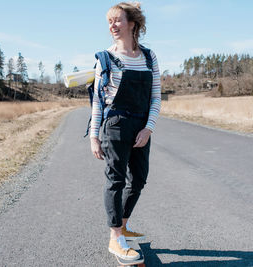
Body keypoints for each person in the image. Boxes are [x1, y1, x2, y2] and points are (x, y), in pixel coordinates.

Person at [89, 1, 161, 261]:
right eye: (109, 22)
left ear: (133, 24)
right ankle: (115, 237)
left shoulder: (149, 57)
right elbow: (98, 100)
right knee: (116, 180)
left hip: (141, 126)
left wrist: (148, 128)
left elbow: (156, 98)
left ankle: (124, 224)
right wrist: (94, 136)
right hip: (116, 125)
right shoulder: (106, 59)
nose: (112, 25)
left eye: (117, 20)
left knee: (139, 179)